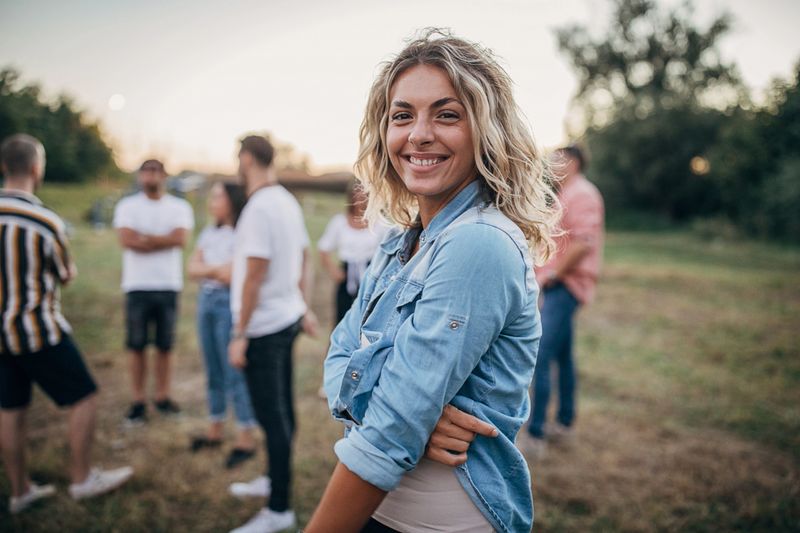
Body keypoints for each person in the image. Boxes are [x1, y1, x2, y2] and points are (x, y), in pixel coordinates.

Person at [306, 29, 560, 532]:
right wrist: (409, 413)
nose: (418, 134)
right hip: (379, 512)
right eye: (402, 115)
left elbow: (389, 432)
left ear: (486, 130)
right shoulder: (400, 240)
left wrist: (404, 416)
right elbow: (337, 360)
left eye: (446, 114)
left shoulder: (478, 243)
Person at [0, 134, 133, 514]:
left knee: (10, 409)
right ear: (37, 169)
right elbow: (65, 273)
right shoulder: (44, 221)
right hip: (36, 330)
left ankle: (20, 489)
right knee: (84, 396)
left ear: (5, 166)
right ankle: (81, 478)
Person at [226, 135, 318, 533]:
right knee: (282, 408)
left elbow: (254, 276)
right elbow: (303, 257)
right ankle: (273, 479)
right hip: (285, 318)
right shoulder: (285, 201)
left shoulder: (260, 207)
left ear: (246, 159)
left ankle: (279, 509)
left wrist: (239, 332)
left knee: (272, 415)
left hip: (263, 325)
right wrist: (302, 305)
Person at [518, 144, 605, 459]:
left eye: (558, 158)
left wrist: (554, 274)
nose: (553, 164)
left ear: (574, 161)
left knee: (541, 355)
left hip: (566, 285)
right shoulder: (566, 193)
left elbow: (583, 242)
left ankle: (535, 433)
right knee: (563, 356)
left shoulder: (583, 193)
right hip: (557, 284)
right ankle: (566, 423)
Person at [113, 159, 194, 425]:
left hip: (167, 285)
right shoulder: (127, 206)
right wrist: (163, 238)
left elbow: (180, 239)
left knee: (165, 346)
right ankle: (138, 400)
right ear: (139, 176)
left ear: (164, 176)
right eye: (146, 171)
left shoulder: (179, 207)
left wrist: (145, 237)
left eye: (156, 172)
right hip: (137, 285)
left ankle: (162, 396)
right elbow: (126, 240)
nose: (151, 177)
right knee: (136, 345)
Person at [187, 181, 257, 468]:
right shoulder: (210, 231)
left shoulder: (243, 233)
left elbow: (234, 275)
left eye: (218, 196)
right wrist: (216, 270)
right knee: (212, 367)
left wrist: (209, 270)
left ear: (232, 200)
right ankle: (215, 429)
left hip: (228, 304)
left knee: (233, 371)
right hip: (206, 302)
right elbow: (192, 269)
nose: (212, 201)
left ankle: (245, 438)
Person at [318, 182, 386, 324]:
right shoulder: (339, 222)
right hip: (346, 274)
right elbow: (323, 248)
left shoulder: (379, 224)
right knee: (342, 317)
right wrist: (334, 271)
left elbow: (388, 252)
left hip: (371, 273)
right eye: (357, 196)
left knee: (368, 318)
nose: (360, 200)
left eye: (365, 196)